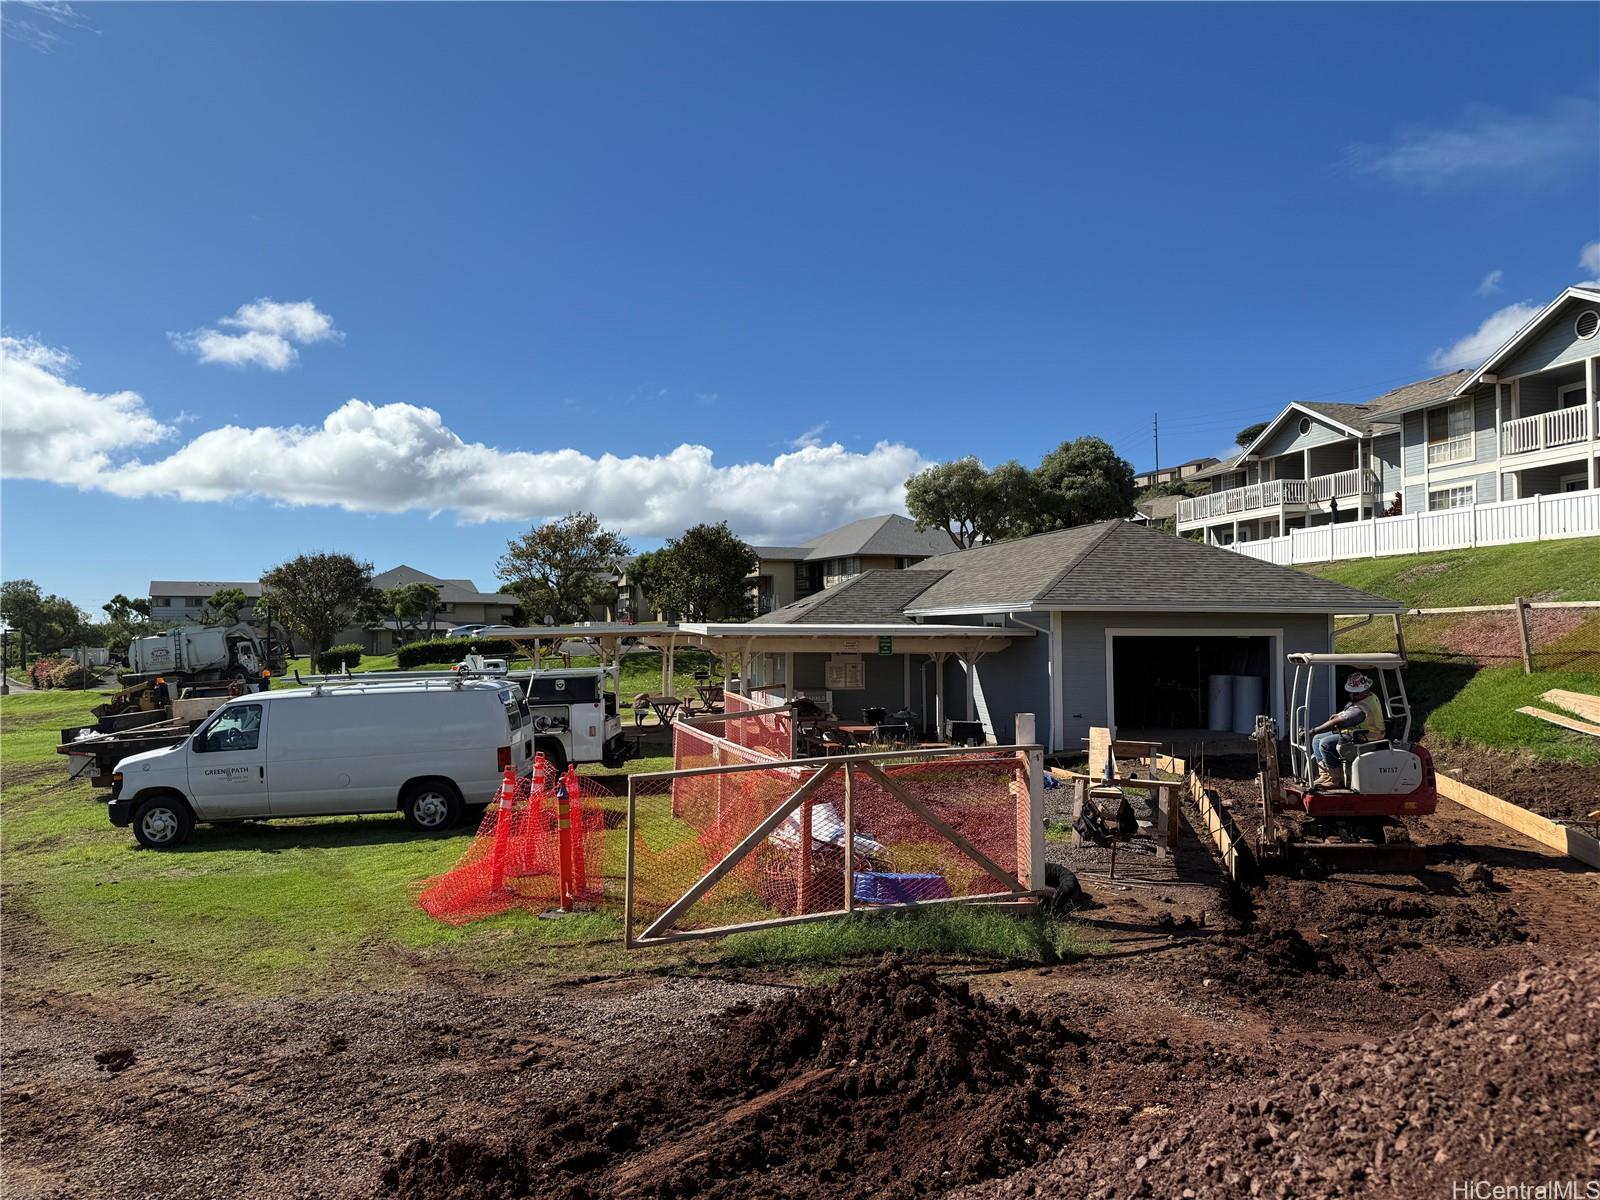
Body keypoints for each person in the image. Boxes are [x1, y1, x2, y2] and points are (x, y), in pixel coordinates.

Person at [1309, 671, 1385, 789]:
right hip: (1357, 733)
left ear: (1365, 690)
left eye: (1356, 693)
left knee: (1325, 743)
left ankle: (1335, 780)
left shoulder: (1362, 707)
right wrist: (1340, 715)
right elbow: (1347, 713)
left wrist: (1313, 730)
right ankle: (1325, 775)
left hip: (1367, 738)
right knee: (1317, 739)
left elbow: (1340, 721)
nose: (1352, 696)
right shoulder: (1366, 698)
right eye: (1351, 693)